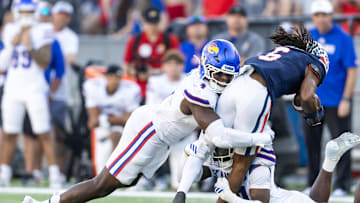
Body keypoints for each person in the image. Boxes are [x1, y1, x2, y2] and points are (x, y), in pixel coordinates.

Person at [23, 39, 273, 203]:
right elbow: (217, 135)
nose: (225, 80)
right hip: (150, 130)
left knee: (122, 182)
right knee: (104, 184)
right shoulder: (201, 90)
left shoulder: (216, 83)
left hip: (164, 137)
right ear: (208, 69)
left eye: (229, 75)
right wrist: (257, 138)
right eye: (220, 74)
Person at [173, 25, 329, 203]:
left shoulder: (286, 52)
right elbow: (307, 96)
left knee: (208, 142)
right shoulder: (315, 63)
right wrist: (313, 115)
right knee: (241, 162)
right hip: (257, 92)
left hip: (237, 81)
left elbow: (299, 94)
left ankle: (181, 191)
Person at [0, 0, 62, 187]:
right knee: (10, 132)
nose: (26, 16)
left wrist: (29, 46)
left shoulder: (43, 30)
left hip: (35, 88)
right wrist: (11, 45)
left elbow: (45, 62)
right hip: (13, 88)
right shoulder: (10, 30)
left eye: (29, 12)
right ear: (17, 13)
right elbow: (2, 66)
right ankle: (4, 173)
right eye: (23, 12)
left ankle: (54, 174)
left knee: (43, 132)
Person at [303, 0, 358, 197]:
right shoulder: (309, 38)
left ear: (331, 16)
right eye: (317, 15)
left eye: (324, 14)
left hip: (336, 101)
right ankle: (312, 183)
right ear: (313, 17)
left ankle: (342, 185)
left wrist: (346, 99)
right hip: (313, 101)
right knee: (312, 145)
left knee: (341, 144)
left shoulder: (343, 38)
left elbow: (352, 70)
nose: (321, 19)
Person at [212, 132, 360, 203]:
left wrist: (230, 197)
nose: (221, 155)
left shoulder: (258, 165)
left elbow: (261, 201)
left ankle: (331, 159)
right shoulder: (229, 162)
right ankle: (330, 159)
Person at [146, 50, 194, 190]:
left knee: (180, 184)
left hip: (184, 132)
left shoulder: (189, 81)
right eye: (170, 64)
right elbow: (152, 107)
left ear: (182, 66)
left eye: (177, 64)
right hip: (161, 128)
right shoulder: (155, 82)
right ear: (164, 66)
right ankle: (153, 178)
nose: (173, 67)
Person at [83, 65, 141, 176]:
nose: (114, 80)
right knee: (103, 147)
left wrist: (105, 119)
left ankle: (120, 173)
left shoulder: (130, 89)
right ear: (106, 77)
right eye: (111, 77)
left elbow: (130, 119)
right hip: (102, 127)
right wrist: (113, 120)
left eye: (117, 77)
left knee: (118, 136)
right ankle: (103, 176)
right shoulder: (93, 86)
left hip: (123, 127)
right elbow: (93, 122)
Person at [123, 6, 180, 100]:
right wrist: (135, 73)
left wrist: (153, 72)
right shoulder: (134, 40)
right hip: (138, 87)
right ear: (144, 22)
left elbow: (176, 63)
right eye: (149, 23)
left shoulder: (170, 40)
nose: (153, 27)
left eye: (155, 23)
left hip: (163, 87)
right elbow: (126, 65)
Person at [51, 1, 79, 172]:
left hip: (59, 89)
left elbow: (69, 59)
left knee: (59, 133)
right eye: (59, 13)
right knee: (34, 133)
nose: (61, 17)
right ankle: (34, 171)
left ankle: (59, 171)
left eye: (65, 15)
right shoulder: (43, 31)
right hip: (39, 87)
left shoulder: (70, 37)